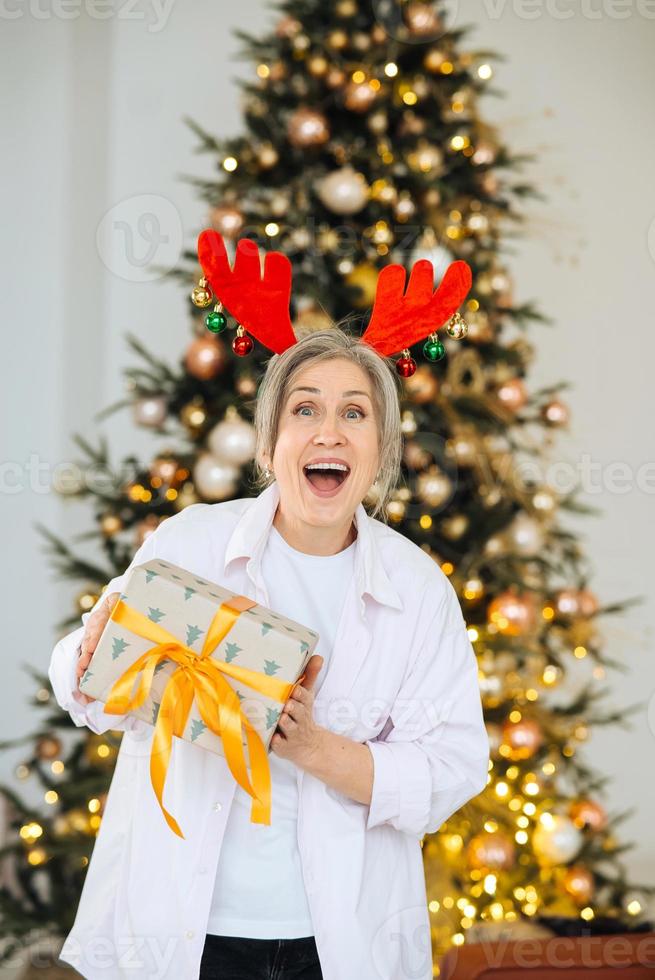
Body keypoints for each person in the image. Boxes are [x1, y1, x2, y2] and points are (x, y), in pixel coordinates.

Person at [49, 251, 489, 980]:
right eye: (304, 409)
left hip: (339, 942)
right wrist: (91, 659)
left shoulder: (417, 590)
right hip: (183, 937)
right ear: (267, 442)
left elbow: (451, 768)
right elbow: (83, 686)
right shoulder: (190, 543)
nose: (328, 432)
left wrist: (316, 749)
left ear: (379, 452)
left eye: (355, 413)